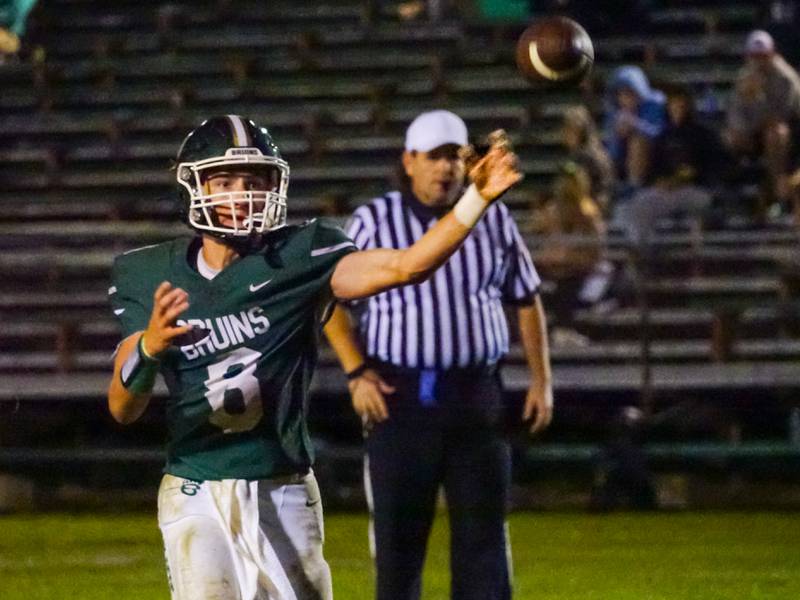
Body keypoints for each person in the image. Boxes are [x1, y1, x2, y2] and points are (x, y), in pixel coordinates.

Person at [106, 114, 522, 600]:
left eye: (254, 182)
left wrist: (476, 199)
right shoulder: (149, 272)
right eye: (224, 182)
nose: (241, 196)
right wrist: (150, 348)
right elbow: (121, 407)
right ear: (193, 186)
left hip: (282, 485)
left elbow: (406, 265)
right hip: (194, 484)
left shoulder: (302, 254)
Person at [323, 110, 552, 600]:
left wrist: (541, 379)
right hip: (399, 397)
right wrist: (356, 371)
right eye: (435, 157)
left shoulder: (494, 217)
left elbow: (526, 295)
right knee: (398, 547)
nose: (446, 168)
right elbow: (327, 299)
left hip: (476, 395)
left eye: (455, 156)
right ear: (409, 161)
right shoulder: (374, 219)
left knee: (484, 543)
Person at [620, 84, 724, 247]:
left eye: (681, 104)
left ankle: (698, 259)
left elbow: (710, 167)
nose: (677, 108)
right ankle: (642, 252)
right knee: (635, 207)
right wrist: (660, 181)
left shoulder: (703, 134)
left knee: (699, 210)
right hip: (667, 192)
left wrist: (684, 178)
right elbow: (654, 171)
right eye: (673, 104)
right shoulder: (664, 136)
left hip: (696, 190)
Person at [533, 163, 609, 346]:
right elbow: (544, 245)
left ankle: (564, 330)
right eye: (564, 181)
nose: (566, 187)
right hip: (554, 266)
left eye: (572, 182)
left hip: (582, 268)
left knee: (570, 282)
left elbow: (595, 252)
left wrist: (569, 259)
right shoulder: (551, 211)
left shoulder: (589, 214)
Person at [724, 30, 800, 205]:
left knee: (775, 134)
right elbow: (735, 115)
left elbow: (782, 116)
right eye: (755, 56)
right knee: (730, 137)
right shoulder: (745, 76)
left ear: (772, 54)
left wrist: (759, 96)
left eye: (763, 56)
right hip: (755, 131)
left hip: (788, 133)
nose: (759, 61)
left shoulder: (785, 78)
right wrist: (745, 99)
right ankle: (734, 192)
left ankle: (777, 189)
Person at [603, 65, 666, 190]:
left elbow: (660, 133)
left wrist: (635, 125)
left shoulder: (655, 104)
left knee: (638, 142)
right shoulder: (615, 111)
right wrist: (619, 136)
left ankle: (635, 187)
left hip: (654, 154)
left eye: (630, 93)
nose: (625, 98)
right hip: (622, 159)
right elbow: (610, 148)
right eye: (621, 94)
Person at [562, 105, 616, 213]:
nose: (565, 133)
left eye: (570, 129)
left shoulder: (587, 155)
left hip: (592, 208)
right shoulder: (582, 153)